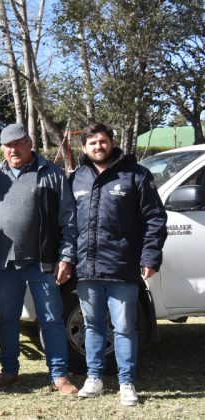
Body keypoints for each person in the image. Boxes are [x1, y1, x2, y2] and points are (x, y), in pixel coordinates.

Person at [70, 122, 167, 406]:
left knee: (124, 327)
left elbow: (155, 219)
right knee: (92, 326)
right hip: (86, 268)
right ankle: (95, 378)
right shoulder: (76, 178)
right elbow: (66, 223)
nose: (98, 147)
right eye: (92, 143)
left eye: (102, 141)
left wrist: (150, 256)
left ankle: (127, 382)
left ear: (111, 142)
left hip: (123, 267)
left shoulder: (136, 175)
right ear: (84, 148)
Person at [0, 123, 78, 394]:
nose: (14, 149)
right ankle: (9, 371)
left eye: (18, 143)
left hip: (43, 262)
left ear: (29, 143)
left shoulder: (50, 173)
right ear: (2, 149)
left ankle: (59, 375)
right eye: (8, 145)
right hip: (6, 263)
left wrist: (66, 256)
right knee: (7, 319)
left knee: (51, 318)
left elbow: (68, 219)